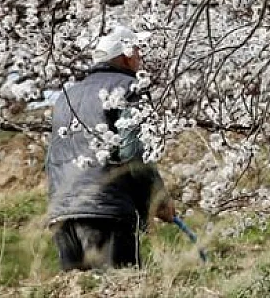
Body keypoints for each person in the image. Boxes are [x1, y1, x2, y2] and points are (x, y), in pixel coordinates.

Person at [45, 25, 175, 271]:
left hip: (62, 214)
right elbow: (134, 154)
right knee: (118, 287)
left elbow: (51, 158)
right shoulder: (129, 88)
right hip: (107, 210)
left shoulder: (66, 97)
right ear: (126, 56)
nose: (140, 59)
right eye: (138, 52)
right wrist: (158, 198)